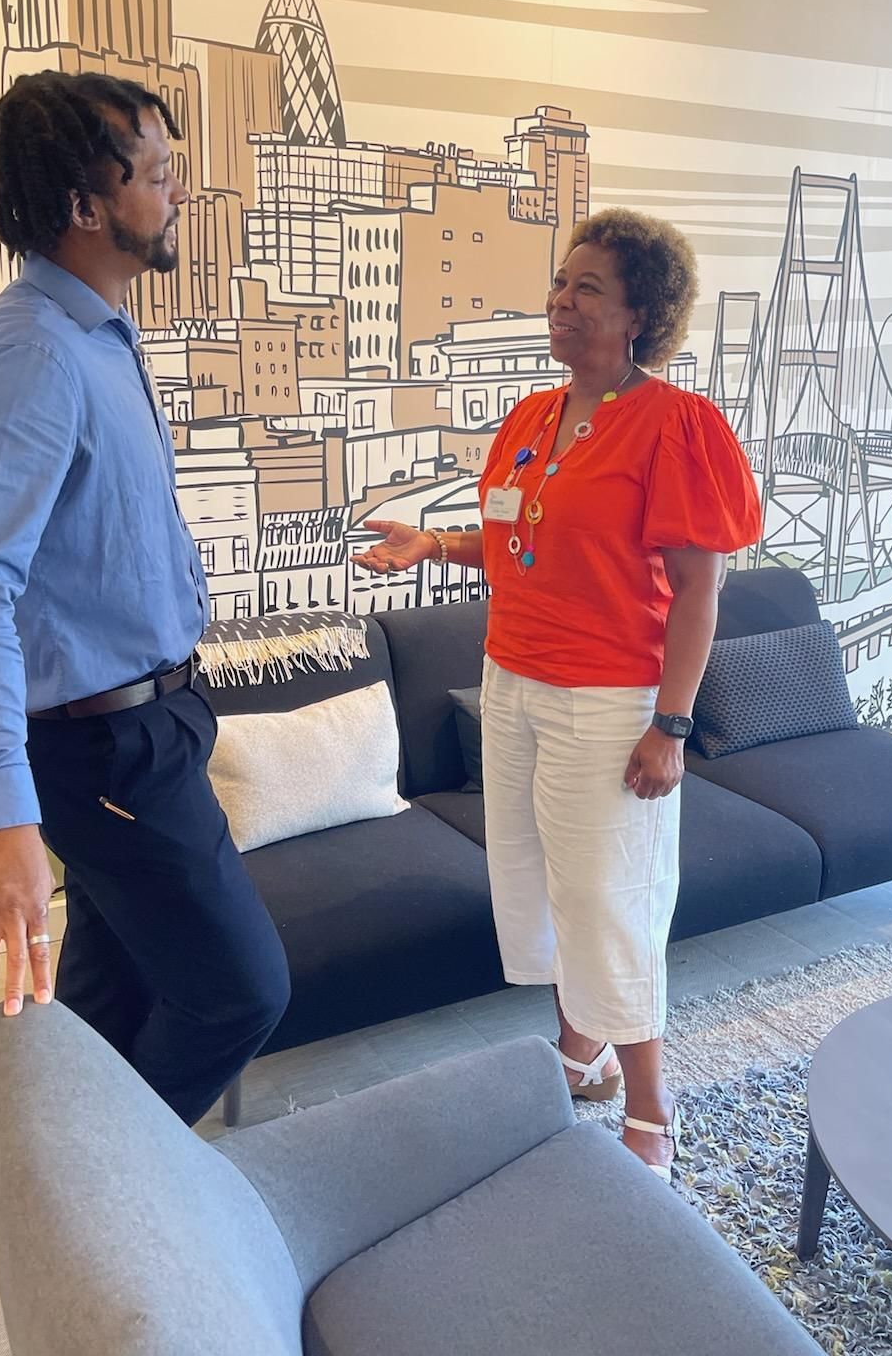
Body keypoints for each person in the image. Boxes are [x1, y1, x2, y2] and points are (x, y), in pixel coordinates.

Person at [0, 70, 289, 1125]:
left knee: (102, 996)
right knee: (240, 991)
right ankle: (120, 1190)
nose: (176, 194)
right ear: (87, 202)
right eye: (157, 174)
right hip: (106, 748)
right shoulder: (33, 351)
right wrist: (1, 817)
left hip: (153, 719)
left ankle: (66, 1181)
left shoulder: (97, 337)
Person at [354, 209, 761, 1179]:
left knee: (607, 896)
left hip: (609, 701)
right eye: (560, 283)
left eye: (588, 288)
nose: (562, 302)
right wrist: (436, 545)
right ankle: (581, 1055)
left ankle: (654, 1111)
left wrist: (672, 722)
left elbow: (700, 589)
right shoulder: (536, 419)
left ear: (640, 314)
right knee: (538, 883)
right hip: (514, 684)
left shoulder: (675, 426)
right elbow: (514, 537)